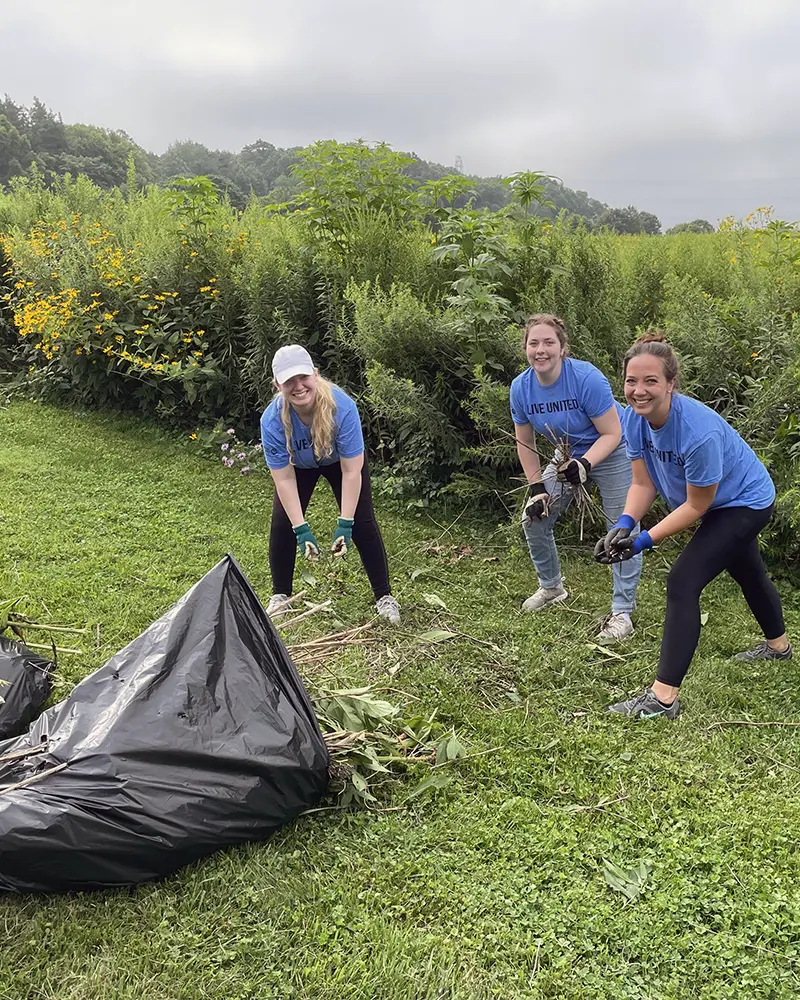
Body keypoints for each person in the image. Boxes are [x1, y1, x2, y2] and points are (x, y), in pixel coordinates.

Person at [596, 333, 791, 720]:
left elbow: (697, 505)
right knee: (748, 572)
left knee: (683, 581)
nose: (639, 390)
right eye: (632, 381)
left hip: (745, 502)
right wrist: (624, 523)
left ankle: (662, 699)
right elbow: (643, 482)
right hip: (716, 504)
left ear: (671, 384)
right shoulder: (634, 420)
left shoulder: (697, 432)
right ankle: (779, 647)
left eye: (651, 381)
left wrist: (643, 541)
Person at [510, 314, 643, 642]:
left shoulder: (586, 379)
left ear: (562, 348)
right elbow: (524, 443)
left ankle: (622, 612)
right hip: (567, 455)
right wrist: (538, 488)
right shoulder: (521, 389)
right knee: (534, 518)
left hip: (614, 451)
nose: (541, 350)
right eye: (534, 343)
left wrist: (585, 464)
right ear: (525, 348)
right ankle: (552, 587)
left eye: (548, 343)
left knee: (621, 529)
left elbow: (612, 433)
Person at [260, 344, 400, 623]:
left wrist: (345, 523)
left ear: (315, 373)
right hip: (299, 467)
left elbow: (351, 472)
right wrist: (301, 529)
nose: (298, 386)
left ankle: (384, 597)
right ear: (277, 385)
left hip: (340, 464)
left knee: (362, 522)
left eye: (303, 377)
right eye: (289, 381)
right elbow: (284, 478)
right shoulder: (272, 420)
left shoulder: (342, 407)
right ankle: (281, 596)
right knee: (282, 522)